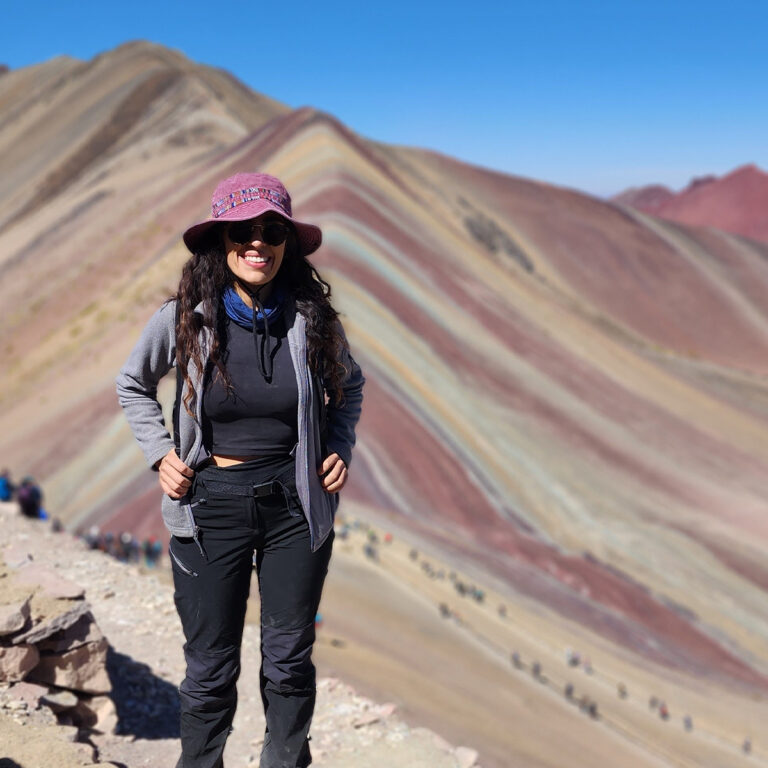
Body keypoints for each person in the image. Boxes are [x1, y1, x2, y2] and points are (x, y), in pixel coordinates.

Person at [116, 172, 365, 768]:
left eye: (272, 230)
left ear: (287, 242)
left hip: (293, 504)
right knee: (210, 667)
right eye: (243, 231)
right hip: (210, 505)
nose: (258, 243)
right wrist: (161, 453)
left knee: (287, 659)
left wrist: (338, 446)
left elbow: (350, 387)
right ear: (220, 241)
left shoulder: (312, 321)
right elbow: (133, 383)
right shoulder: (186, 319)